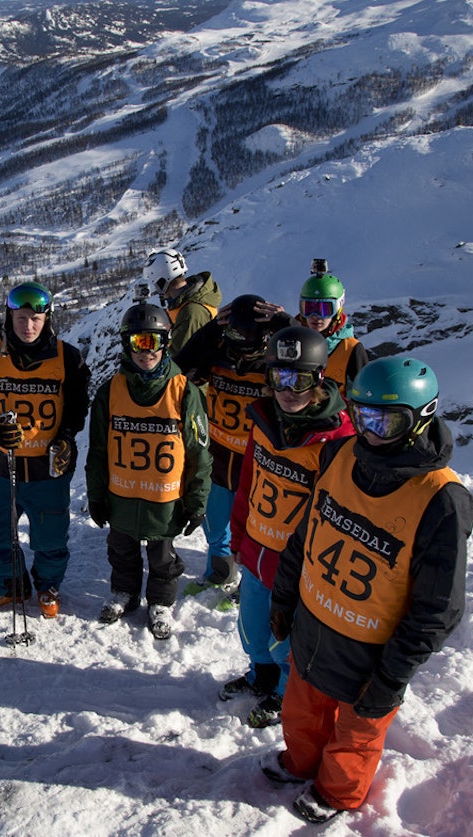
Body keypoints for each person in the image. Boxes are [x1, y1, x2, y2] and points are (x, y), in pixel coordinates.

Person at [261, 356, 473, 824]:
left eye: (386, 421)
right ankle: (300, 763)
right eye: (362, 416)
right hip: (315, 621)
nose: (371, 432)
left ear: (421, 418)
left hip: (371, 648)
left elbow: (437, 608)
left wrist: (393, 676)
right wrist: (284, 598)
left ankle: (337, 793)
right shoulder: (340, 454)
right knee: (302, 710)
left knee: (356, 732)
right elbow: (306, 534)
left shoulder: (441, 500)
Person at [217, 326, 355, 729]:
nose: (288, 390)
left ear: (319, 378)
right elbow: (248, 481)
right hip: (257, 549)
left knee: (286, 639)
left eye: (300, 379)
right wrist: (238, 536)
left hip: (297, 565)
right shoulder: (264, 420)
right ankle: (260, 675)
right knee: (252, 628)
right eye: (280, 377)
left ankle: (285, 691)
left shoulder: (337, 439)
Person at [85, 302, 212, 640]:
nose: (146, 351)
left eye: (153, 341)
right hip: (121, 497)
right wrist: (96, 495)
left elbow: (199, 454)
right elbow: (98, 451)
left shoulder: (184, 392)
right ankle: (124, 593)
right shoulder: (111, 391)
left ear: (166, 342)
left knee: (163, 557)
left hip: (164, 500)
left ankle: (160, 602)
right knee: (121, 550)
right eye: (138, 342)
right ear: (126, 344)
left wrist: (196, 502)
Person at [0, 281, 91, 618]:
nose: (28, 326)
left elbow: (78, 406)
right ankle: (12, 584)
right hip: (2, 466)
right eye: (21, 318)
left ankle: (48, 584)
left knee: (50, 537)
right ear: (9, 317)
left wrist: (66, 435)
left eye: (36, 318)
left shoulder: (67, 357)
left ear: (47, 318)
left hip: (47, 470)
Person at [175, 294, 291, 596]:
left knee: (256, 529)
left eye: (246, 343)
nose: (239, 351)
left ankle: (250, 584)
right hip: (218, 456)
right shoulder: (218, 355)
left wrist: (286, 326)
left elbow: (314, 366)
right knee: (216, 527)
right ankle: (220, 573)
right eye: (234, 340)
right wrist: (210, 331)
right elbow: (179, 370)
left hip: (258, 461)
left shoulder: (276, 365)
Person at [296, 259, 368, 389]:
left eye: (324, 310)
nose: (315, 316)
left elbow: (362, 393)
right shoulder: (292, 342)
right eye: (309, 308)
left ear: (337, 310)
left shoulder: (350, 349)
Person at [146, 248, 223, 355]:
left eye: (155, 283)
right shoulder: (182, 303)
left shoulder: (192, 312)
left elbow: (180, 357)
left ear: (161, 282)